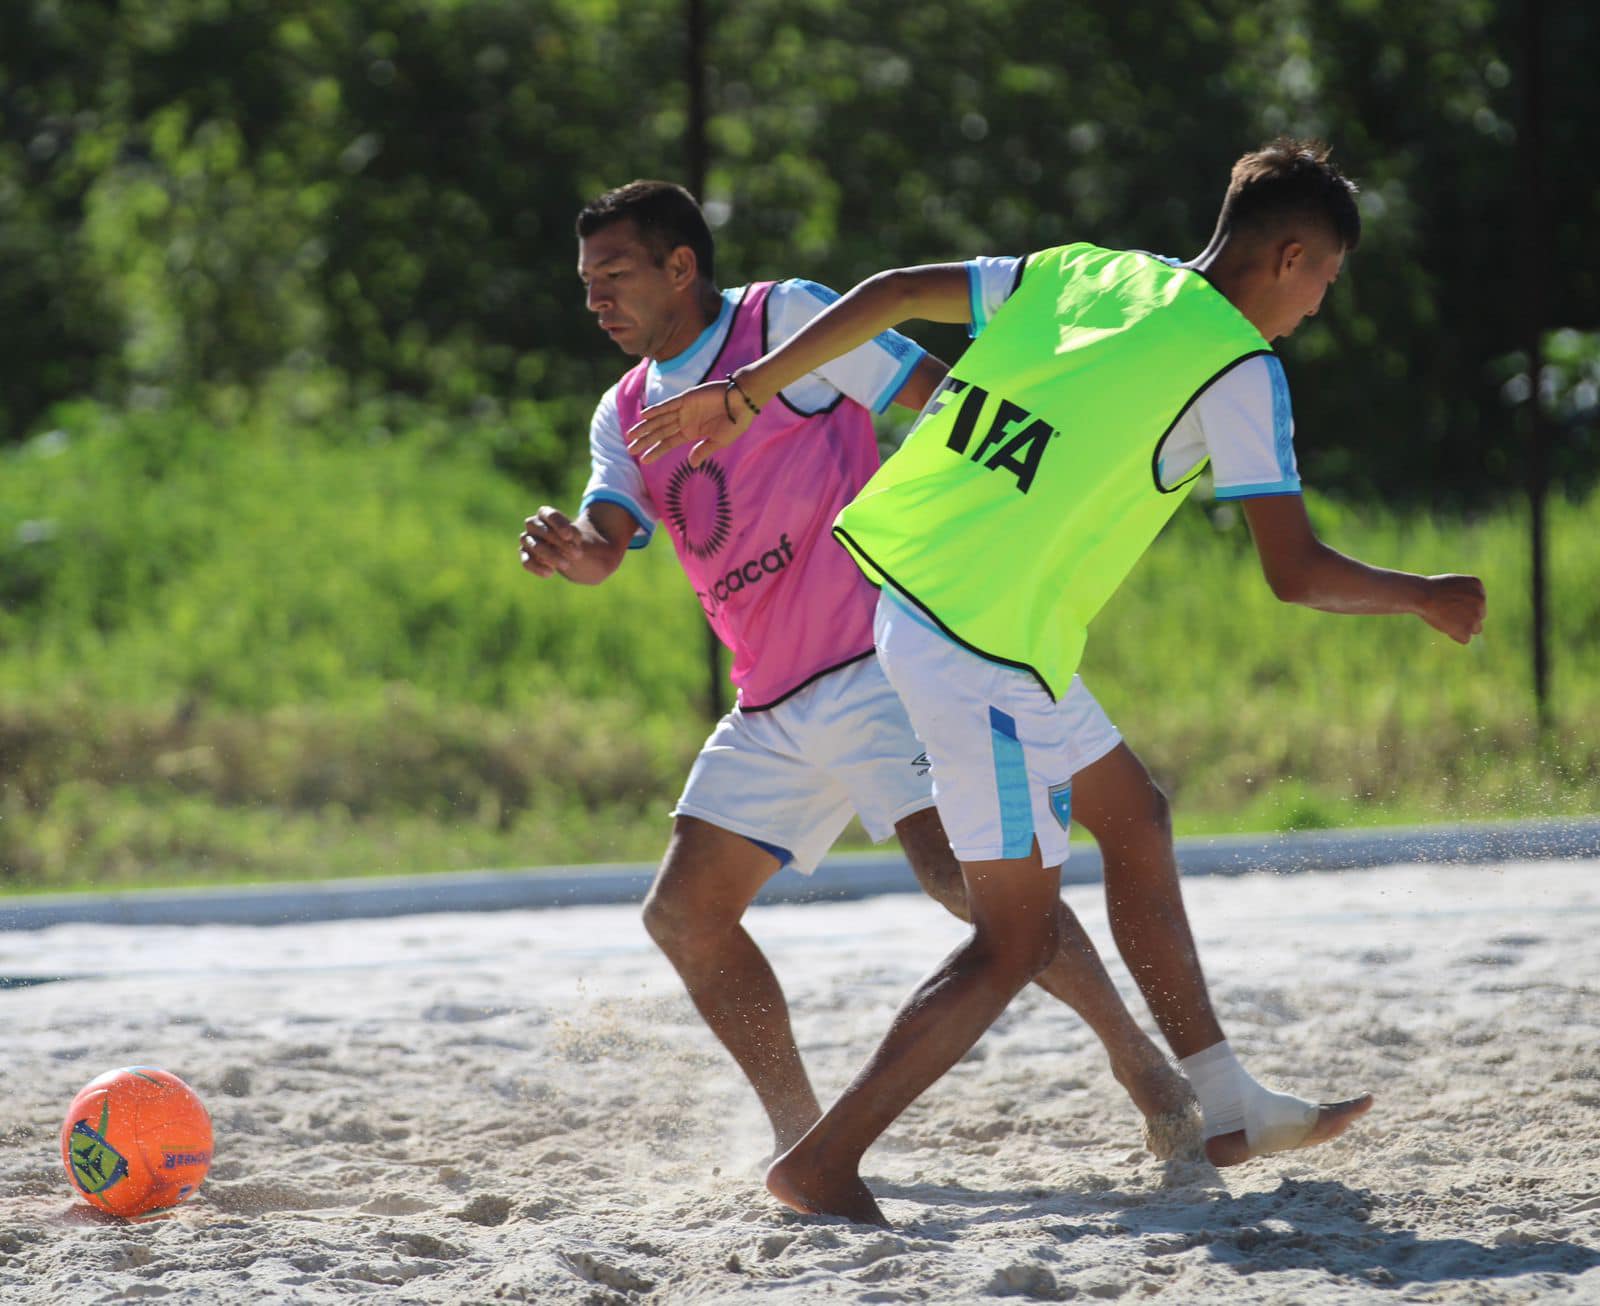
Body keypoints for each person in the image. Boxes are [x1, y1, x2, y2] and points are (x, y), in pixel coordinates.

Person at [626, 140, 1488, 1225]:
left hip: (928, 598)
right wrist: (1423, 594)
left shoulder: (1090, 270)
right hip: (975, 640)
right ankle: (820, 1160)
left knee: (1134, 815)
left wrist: (744, 392)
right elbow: (1295, 571)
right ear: (1288, 254)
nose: (1318, 305)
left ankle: (1223, 1098)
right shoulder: (1238, 367)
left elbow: (891, 291)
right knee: (1011, 940)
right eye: (1324, 280)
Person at [519, 180, 1205, 1162]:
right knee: (683, 916)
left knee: (965, 883)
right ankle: (801, 1134)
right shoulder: (623, 408)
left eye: (614, 275)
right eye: (586, 284)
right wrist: (568, 551)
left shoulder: (785, 320)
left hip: (877, 664)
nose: (596, 300)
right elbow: (604, 542)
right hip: (770, 703)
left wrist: (1012, 517)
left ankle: (1141, 1064)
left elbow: (942, 403)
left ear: (681, 267)